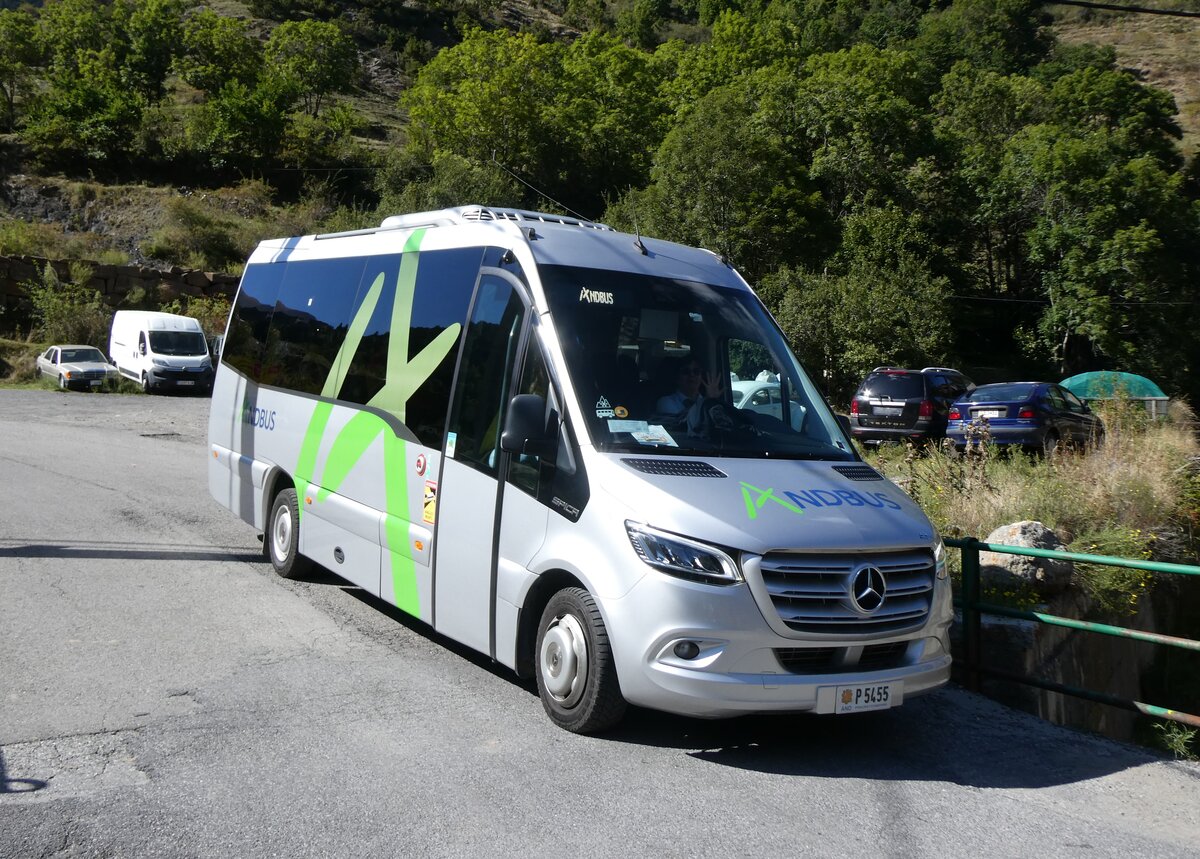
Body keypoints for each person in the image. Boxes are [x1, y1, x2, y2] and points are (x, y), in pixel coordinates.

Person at [655, 357, 727, 434]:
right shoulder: (665, 402)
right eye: (686, 372)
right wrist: (707, 402)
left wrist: (712, 402)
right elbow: (684, 423)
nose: (691, 375)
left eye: (696, 372)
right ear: (677, 377)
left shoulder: (709, 402)